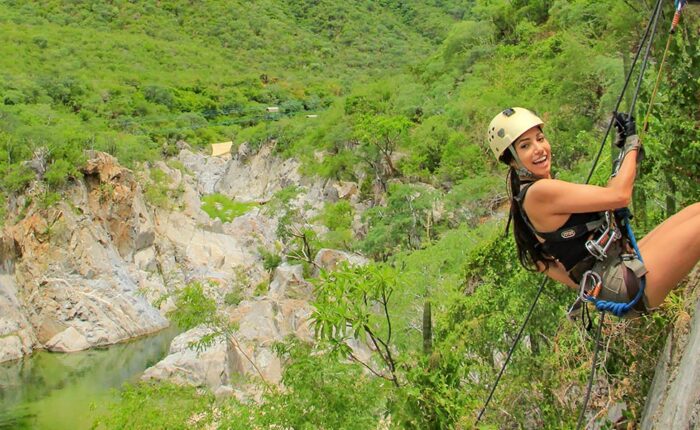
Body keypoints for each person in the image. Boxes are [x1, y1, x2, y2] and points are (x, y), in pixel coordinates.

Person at [487, 107, 700, 317]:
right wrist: (631, 144)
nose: (539, 148)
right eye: (525, 146)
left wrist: (594, 289)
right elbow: (620, 195)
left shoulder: (527, 198)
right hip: (623, 281)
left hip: (618, 274)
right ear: (512, 160)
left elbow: (543, 263)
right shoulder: (539, 193)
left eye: (540, 139)